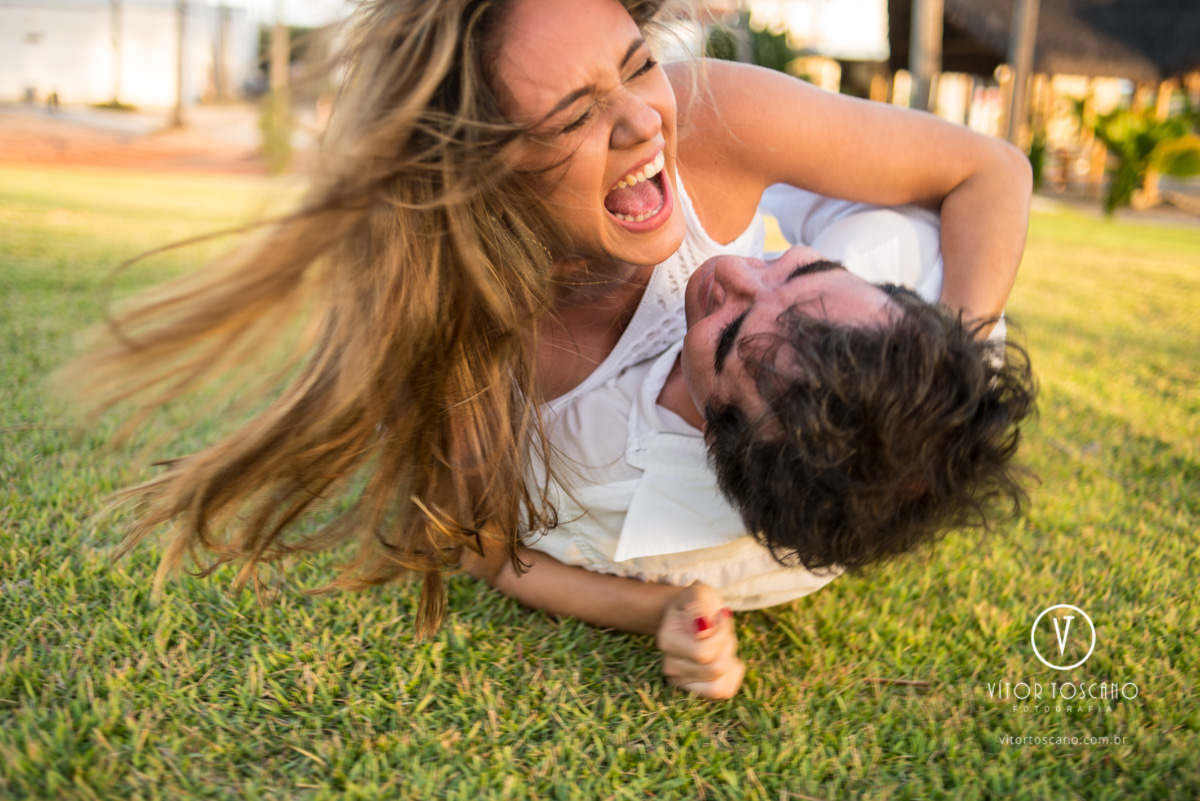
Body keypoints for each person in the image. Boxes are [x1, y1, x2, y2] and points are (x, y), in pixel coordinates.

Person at [74, 0, 1032, 647]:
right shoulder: (481, 337)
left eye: (637, 64)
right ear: (486, 166)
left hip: (793, 494)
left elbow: (990, 171)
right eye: (575, 114)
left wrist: (944, 361)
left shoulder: (758, 443)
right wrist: (657, 609)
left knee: (899, 267)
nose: (646, 123)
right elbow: (485, 543)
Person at [460, 199, 1035, 699]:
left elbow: (486, 552)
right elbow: (989, 170)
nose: (732, 268)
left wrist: (660, 608)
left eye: (732, 335)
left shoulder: (591, 461)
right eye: (804, 269)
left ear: (714, 435)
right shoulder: (912, 273)